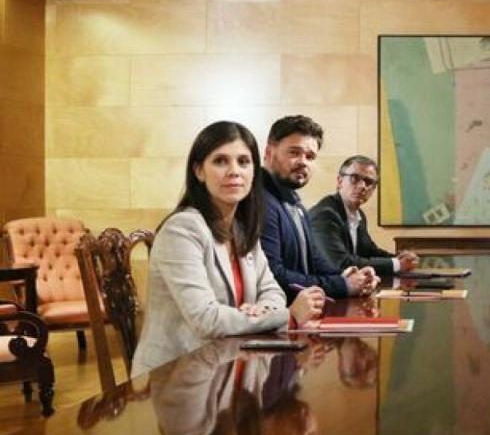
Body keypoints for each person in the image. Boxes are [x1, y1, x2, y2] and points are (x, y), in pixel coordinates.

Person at [134, 121, 323, 374]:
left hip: (232, 367)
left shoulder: (242, 230)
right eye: (221, 161)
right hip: (178, 376)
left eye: (244, 162)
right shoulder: (182, 229)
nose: (234, 171)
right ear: (199, 171)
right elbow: (206, 320)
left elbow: (273, 291)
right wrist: (287, 316)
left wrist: (261, 310)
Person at [259, 115, 377, 302]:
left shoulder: (293, 200)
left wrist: (350, 276)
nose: (303, 161)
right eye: (294, 152)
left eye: (310, 156)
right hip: (279, 320)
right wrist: (342, 285)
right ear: (269, 153)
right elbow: (274, 275)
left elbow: (314, 259)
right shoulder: (260, 201)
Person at [309, 155, 418, 277]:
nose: (362, 186)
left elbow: (368, 251)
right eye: (355, 178)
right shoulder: (325, 214)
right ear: (339, 181)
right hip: (323, 291)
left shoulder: (359, 214)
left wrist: (400, 258)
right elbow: (341, 264)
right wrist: (396, 264)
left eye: (369, 182)